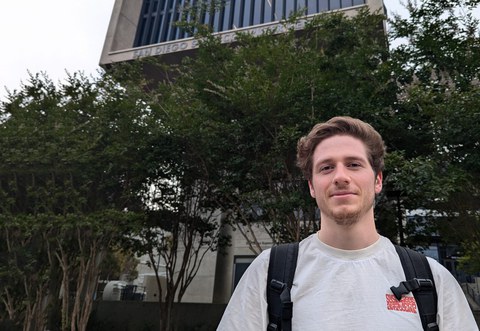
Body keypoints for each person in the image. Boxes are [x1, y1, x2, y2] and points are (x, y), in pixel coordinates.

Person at [217, 116, 478, 330]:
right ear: (311, 186)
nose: (340, 177)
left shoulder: (432, 280)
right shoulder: (267, 273)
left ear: (377, 181)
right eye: (326, 168)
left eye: (353, 164)